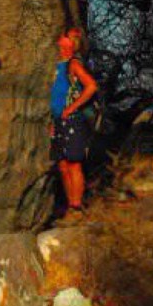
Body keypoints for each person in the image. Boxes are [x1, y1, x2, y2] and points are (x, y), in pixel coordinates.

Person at [49, 28, 98, 220]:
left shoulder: (73, 63)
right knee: (62, 165)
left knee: (74, 164)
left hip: (73, 120)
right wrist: (54, 119)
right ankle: (71, 206)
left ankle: (76, 208)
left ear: (72, 43)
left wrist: (72, 108)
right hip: (59, 120)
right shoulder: (59, 65)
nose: (60, 40)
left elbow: (91, 86)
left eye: (65, 37)